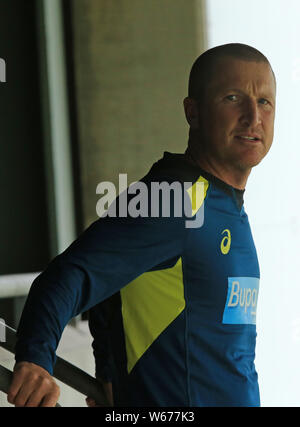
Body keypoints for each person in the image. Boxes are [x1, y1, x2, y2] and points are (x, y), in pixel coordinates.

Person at [7, 43, 276, 407]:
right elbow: (72, 273)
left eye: (264, 102)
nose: (253, 116)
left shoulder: (223, 205)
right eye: (232, 98)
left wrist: (109, 372)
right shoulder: (175, 201)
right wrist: (36, 357)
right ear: (192, 112)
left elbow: (112, 288)